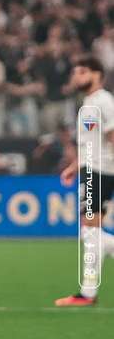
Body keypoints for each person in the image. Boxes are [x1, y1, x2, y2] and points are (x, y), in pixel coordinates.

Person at [56, 56, 114, 307]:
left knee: (90, 232)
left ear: (96, 74)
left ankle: (87, 293)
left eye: (81, 72)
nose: (76, 76)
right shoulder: (90, 102)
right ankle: (87, 293)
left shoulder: (103, 101)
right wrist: (75, 166)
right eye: (74, 72)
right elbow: (93, 141)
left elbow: (112, 136)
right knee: (91, 232)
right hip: (92, 169)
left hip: (100, 172)